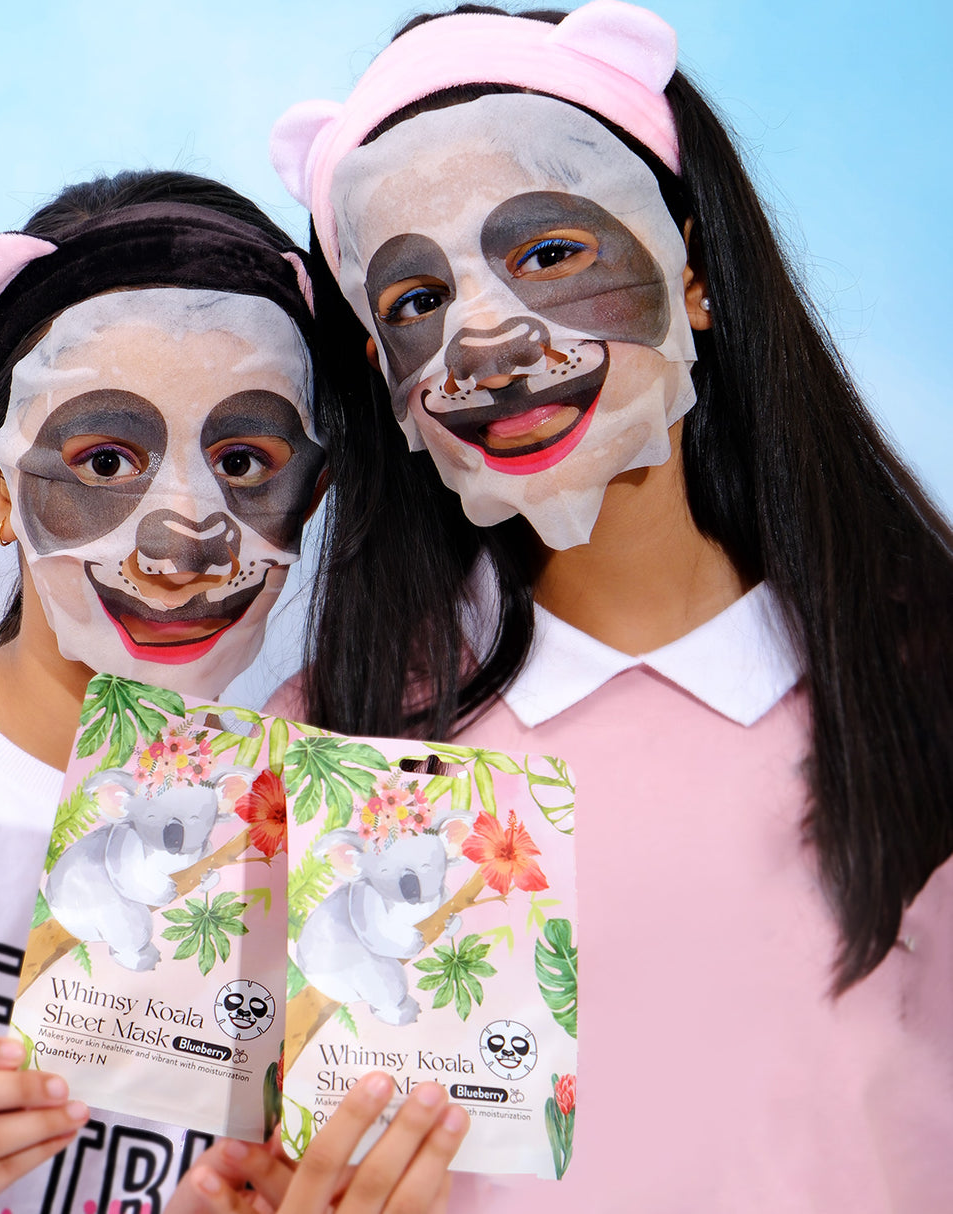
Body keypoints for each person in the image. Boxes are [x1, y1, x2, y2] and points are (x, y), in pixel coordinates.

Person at [258, 1, 953, 1208]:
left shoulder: (922, 667)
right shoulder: (327, 743)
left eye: (547, 253)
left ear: (692, 273)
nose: (484, 337)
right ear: (384, 371)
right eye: (416, 299)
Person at [0, 168, 468, 1214]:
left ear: (309, 495)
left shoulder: (313, 859)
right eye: (106, 459)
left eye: (244, 459)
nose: (185, 541)